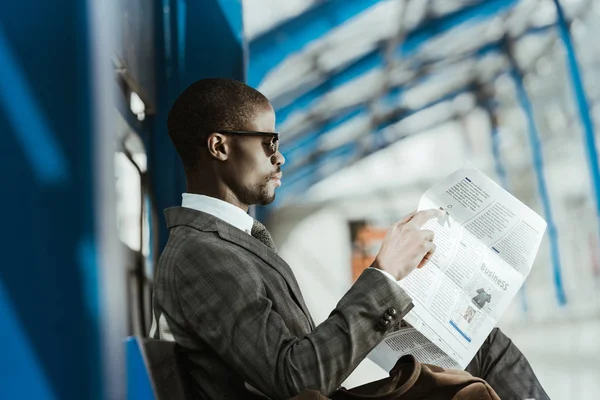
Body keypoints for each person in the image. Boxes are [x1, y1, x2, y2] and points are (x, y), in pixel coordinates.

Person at [150, 78, 549, 400]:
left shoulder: (226, 242)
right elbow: (296, 379)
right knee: (490, 355)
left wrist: (392, 301)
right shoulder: (202, 254)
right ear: (219, 146)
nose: (280, 156)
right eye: (268, 142)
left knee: (476, 345)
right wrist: (384, 275)